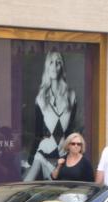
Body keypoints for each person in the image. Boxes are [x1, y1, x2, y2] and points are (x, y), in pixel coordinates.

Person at [23, 50, 77, 181]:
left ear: (62, 67)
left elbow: (71, 130)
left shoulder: (71, 96)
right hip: (45, 150)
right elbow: (38, 133)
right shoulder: (41, 98)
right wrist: (30, 159)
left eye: (58, 63)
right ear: (47, 66)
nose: (54, 66)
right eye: (51, 62)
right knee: (27, 182)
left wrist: (74, 155)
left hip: (64, 153)